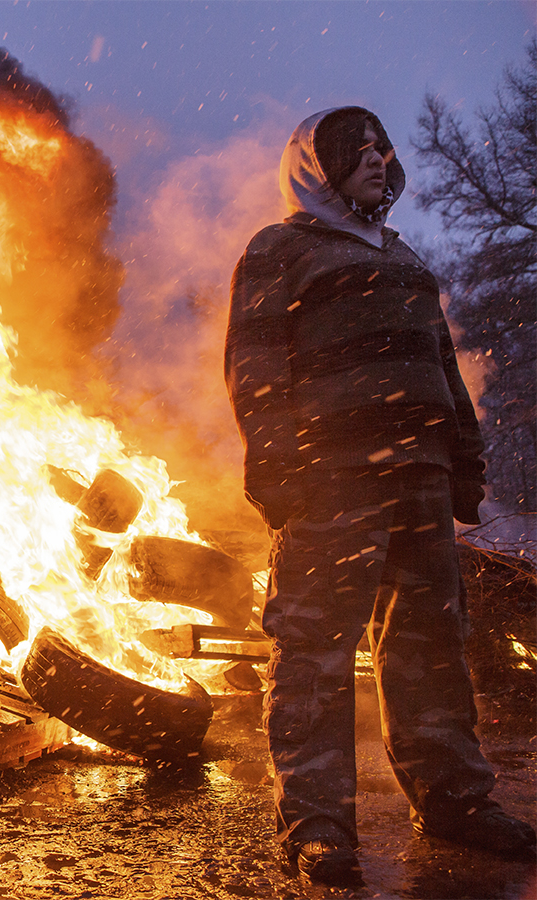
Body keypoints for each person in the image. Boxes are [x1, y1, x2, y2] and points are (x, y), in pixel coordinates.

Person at [225, 106, 535, 885]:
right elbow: (256, 371)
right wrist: (278, 474)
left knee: (432, 647)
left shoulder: (404, 258)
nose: (375, 156)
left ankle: (456, 801)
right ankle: (318, 826)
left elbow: (442, 366)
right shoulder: (280, 249)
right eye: (352, 148)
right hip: (331, 485)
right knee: (315, 650)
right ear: (314, 165)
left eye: (378, 146)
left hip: (421, 484)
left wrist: (463, 462)